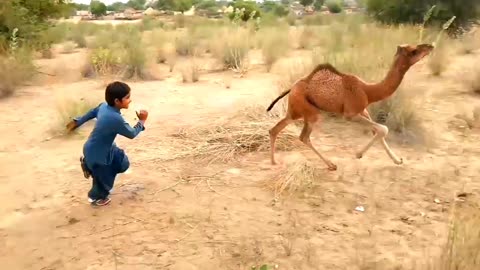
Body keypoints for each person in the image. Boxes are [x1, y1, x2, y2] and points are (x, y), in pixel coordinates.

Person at [66, 81, 148, 206]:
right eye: (127, 98)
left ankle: (90, 165)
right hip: (99, 156)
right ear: (116, 101)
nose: (130, 100)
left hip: (92, 148)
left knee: (122, 162)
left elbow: (92, 112)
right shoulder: (115, 118)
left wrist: (78, 122)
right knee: (106, 180)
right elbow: (131, 134)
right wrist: (141, 121)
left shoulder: (104, 106)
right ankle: (96, 197)